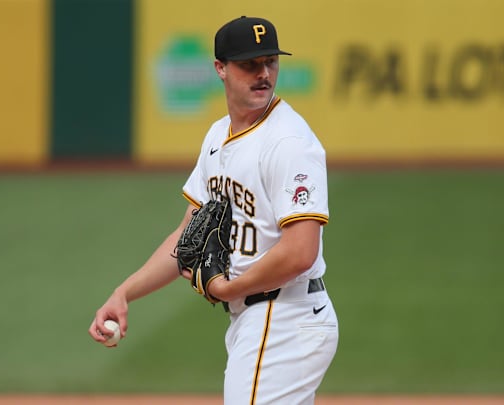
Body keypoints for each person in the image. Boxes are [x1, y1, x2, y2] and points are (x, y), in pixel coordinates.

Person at [89, 16, 339, 405]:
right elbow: (187, 236)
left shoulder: (288, 142)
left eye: (270, 61)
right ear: (220, 68)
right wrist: (125, 293)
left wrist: (226, 287)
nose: (263, 73)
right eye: (249, 64)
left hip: (284, 318)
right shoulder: (217, 137)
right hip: (259, 320)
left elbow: (301, 251)